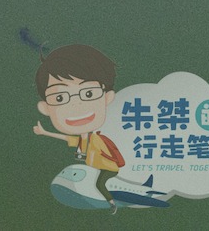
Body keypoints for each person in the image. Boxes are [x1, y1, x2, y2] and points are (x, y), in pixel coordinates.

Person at [32, 46, 166, 209]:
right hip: (97, 168)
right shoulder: (83, 140)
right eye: (60, 97)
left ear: (107, 97)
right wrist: (44, 132)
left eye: (88, 93)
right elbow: (67, 138)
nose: (76, 105)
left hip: (108, 168)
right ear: (45, 107)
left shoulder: (97, 139)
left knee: (100, 185)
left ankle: (112, 203)